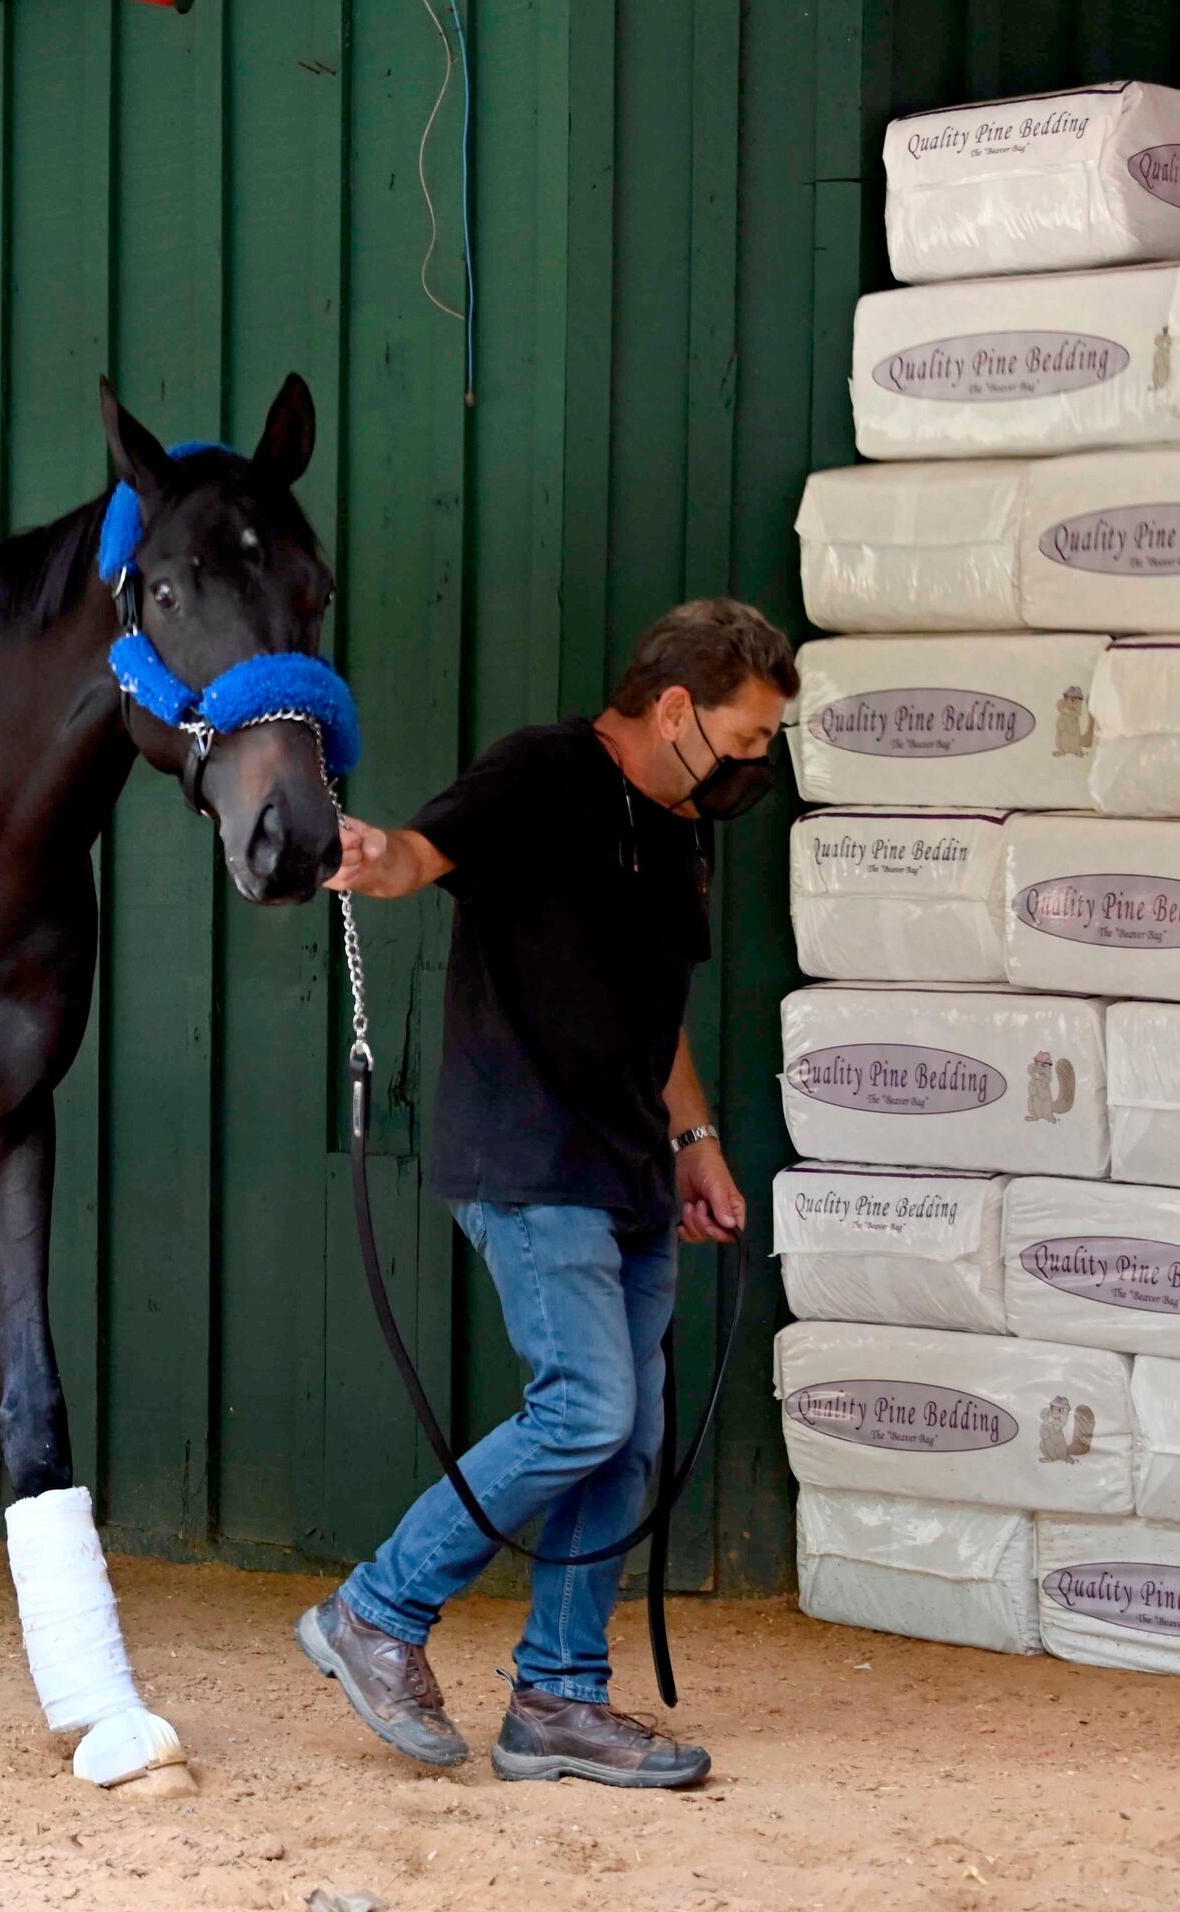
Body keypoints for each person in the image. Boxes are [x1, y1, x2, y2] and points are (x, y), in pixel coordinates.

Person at [295, 597, 797, 1789]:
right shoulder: (541, 773)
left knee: (625, 1440)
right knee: (584, 1406)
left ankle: (559, 1701)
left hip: (627, 1163)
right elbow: (424, 854)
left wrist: (698, 1141)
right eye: (745, 741)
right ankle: (376, 1609)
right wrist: (376, 860)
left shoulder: (681, 827)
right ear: (675, 709)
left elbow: (655, 1006)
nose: (755, 768)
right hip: (524, 1151)